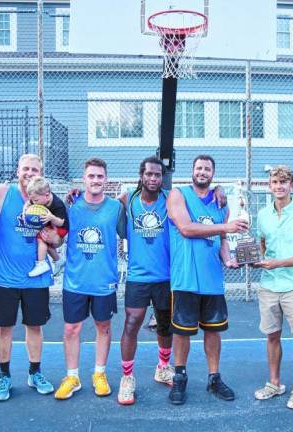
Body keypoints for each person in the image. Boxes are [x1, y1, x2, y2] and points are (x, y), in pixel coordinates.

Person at [166, 154, 247, 405]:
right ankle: (179, 377)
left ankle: (214, 378)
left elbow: (222, 241)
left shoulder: (221, 203)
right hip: (185, 277)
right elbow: (187, 229)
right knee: (182, 332)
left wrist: (229, 259)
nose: (202, 172)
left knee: (213, 332)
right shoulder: (178, 195)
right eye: (199, 168)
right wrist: (226, 228)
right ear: (192, 171)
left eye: (207, 169)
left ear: (213, 173)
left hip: (212, 278)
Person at [0, 154, 61, 400]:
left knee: (34, 327)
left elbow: (59, 236)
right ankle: (4, 376)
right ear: (17, 170)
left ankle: (34, 372)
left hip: (35, 277)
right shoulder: (0, 193)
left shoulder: (46, 198)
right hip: (5, 278)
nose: (29, 173)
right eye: (25, 168)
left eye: (35, 169)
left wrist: (55, 240)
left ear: (41, 172)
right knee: (4, 328)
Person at [54, 158, 126, 400]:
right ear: (83, 179)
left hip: (103, 280)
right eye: (91, 176)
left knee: (103, 327)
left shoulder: (116, 207)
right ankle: (72, 376)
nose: (95, 180)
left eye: (100, 176)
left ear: (106, 180)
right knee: (71, 329)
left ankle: (99, 373)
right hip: (75, 280)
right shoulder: (70, 206)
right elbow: (58, 236)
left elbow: (130, 233)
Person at [252, 165, 293, 410]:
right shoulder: (262, 215)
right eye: (274, 182)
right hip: (269, 285)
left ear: (292, 185)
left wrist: (278, 263)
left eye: (283, 182)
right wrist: (256, 259)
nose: (279, 186)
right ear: (269, 185)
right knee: (272, 336)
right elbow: (261, 242)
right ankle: (274, 383)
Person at [117, 156, 174, 406]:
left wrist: (218, 190)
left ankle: (162, 366)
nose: (153, 178)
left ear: (162, 177)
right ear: (141, 175)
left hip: (166, 276)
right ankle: (127, 378)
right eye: (149, 174)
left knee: (165, 324)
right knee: (132, 324)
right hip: (138, 276)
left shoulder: (171, 199)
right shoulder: (128, 199)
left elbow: (198, 195)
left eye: (158, 174)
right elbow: (108, 214)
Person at [25, 176, 69, 277]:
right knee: (45, 240)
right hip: (51, 223)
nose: (34, 203)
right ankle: (58, 260)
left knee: (41, 238)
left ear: (47, 195)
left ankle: (41, 264)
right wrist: (25, 209)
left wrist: (51, 218)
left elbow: (61, 222)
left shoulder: (58, 205)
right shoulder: (39, 198)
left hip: (61, 227)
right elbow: (29, 202)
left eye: (35, 200)